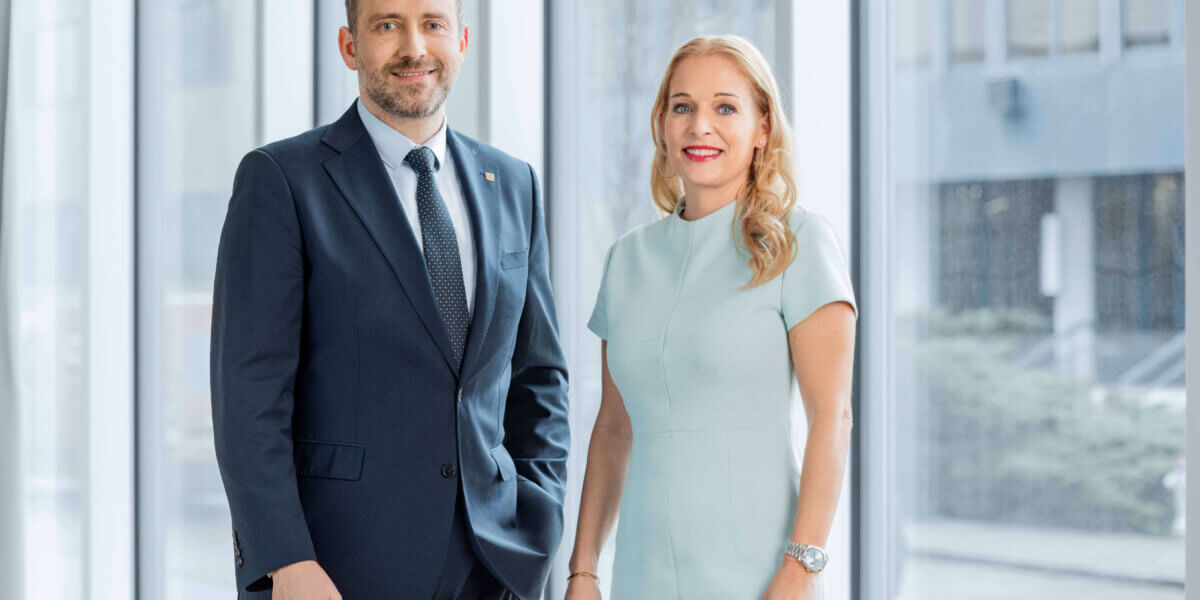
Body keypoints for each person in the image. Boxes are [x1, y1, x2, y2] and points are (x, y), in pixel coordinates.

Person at [209, 1, 569, 598]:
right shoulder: (282, 179)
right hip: (339, 565)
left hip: (497, 565)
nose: (414, 47)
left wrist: (541, 515)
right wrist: (285, 559)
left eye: (433, 24)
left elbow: (539, 377)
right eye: (387, 25)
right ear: (349, 46)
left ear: (462, 41)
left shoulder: (514, 183)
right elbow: (249, 398)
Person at [566, 35, 858, 599]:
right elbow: (614, 426)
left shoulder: (800, 242)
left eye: (725, 108)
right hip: (641, 574)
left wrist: (801, 569)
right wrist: (583, 571)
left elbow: (832, 417)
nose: (700, 126)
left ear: (763, 128)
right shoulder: (627, 259)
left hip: (760, 573)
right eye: (683, 107)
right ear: (662, 124)